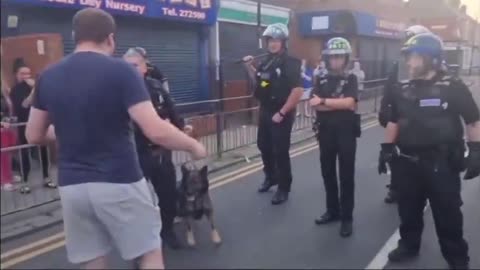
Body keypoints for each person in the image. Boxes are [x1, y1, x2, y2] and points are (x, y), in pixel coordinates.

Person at [25, 8, 206, 270]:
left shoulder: (48, 76)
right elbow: (154, 129)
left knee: (94, 258)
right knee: (148, 252)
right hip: (118, 180)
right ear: (110, 39)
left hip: (72, 187)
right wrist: (192, 145)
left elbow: (33, 135)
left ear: (75, 36)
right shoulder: (123, 71)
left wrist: (67, 130)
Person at [378, 33, 480, 270]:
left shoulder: (453, 87)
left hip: (442, 163)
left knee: (448, 215)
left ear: (430, 58)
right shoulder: (401, 88)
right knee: (408, 209)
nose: (408, 63)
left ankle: (457, 259)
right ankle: (409, 245)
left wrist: (476, 150)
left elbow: (473, 121)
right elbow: (394, 120)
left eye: (412, 57)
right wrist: (386, 148)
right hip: (406, 163)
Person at [123, 48, 193, 249]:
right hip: (135, 155)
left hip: (161, 152)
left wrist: (181, 127)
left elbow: (171, 109)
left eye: (135, 65)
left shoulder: (155, 87)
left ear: (145, 67)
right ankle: (140, 244)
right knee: (136, 202)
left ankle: (167, 230)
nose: (131, 70)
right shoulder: (118, 91)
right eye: (127, 66)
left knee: (168, 196)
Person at [242, 23, 303, 205]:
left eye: (276, 40)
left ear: (283, 42)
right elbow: (261, 82)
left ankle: (284, 187)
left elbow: (297, 90)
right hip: (266, 109)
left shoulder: (290, 62)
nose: (272, 44)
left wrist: (282, 113)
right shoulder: (266, 61)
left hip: (281, 111)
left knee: (280, 151)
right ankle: (271, 177)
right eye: (270, 40)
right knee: (263, 146)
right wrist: (249, 67)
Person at [309, 37, 360, 238]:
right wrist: (331, 102)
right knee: (327, 173)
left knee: (346, 176)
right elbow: (315, 104)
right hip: (326, 132)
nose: (335, 61)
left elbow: (349, 103)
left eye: (339, 57)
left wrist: (324, 101)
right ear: (327, 59)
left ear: (346, 58)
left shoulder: (351, 79)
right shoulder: (320, 79)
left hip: (346, 133)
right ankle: (333, 211)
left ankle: (347, 217)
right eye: (332, 57)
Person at [379, 24, 432, 204]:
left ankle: (426, 185)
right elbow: (389, 87)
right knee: (395, 151)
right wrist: (384, 107)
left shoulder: (435, 64)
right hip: (401, 113)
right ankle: (395, 187)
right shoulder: (399, 63)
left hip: (424, 116)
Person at [9, 58, 55, 194]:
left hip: (38, 122)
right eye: (23, 74)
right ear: (16, 75)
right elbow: (23, 105)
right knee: (24, 153)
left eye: (28, 74)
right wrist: (33, 92)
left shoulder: (34, 85)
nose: (26, 77)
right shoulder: (15, 90)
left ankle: (46, 177)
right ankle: (25, 181)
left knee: (43, 151)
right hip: (24, 124)